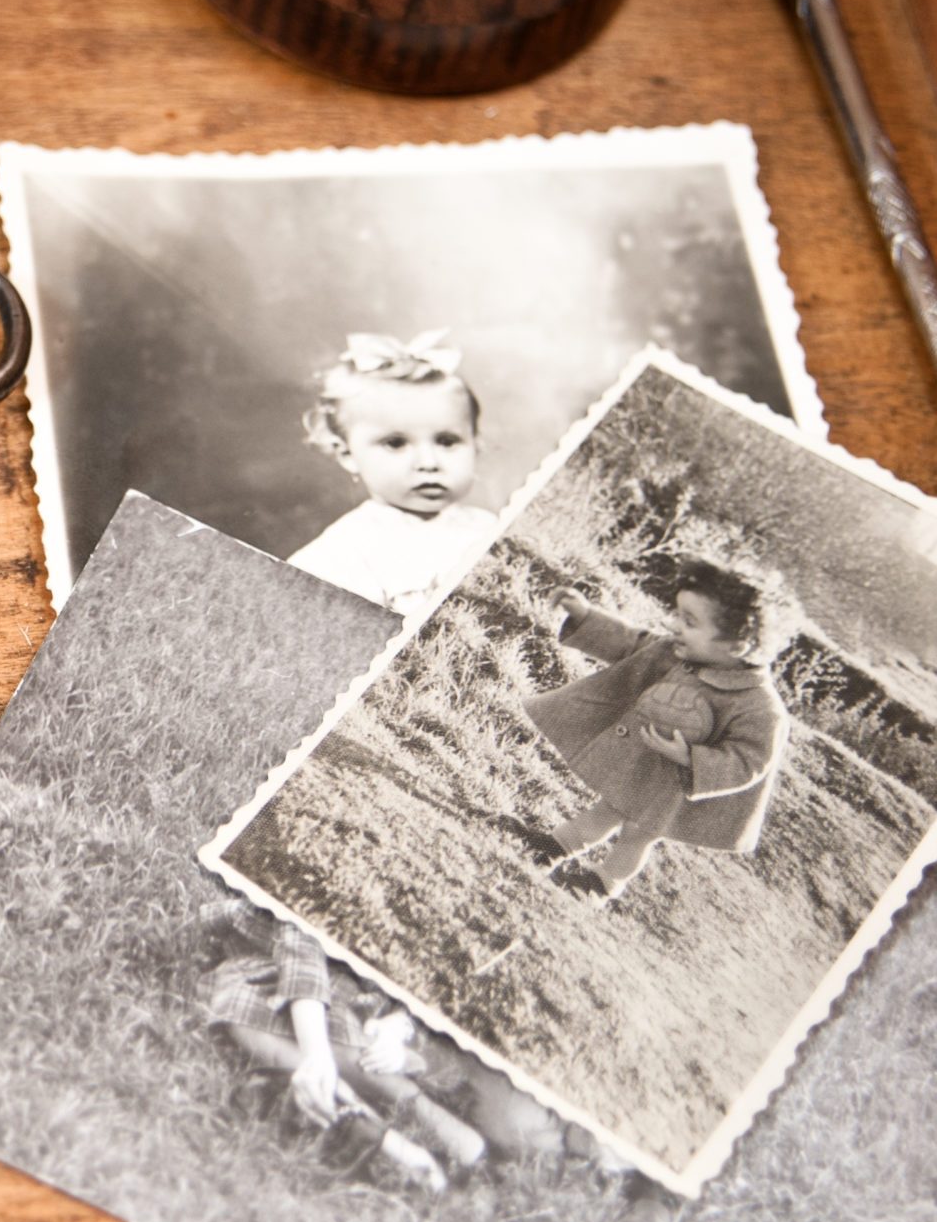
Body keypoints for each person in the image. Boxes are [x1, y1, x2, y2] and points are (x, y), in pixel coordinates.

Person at [524, 559, 795, 900]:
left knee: (638, 834)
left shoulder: (759, 707)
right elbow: (632, 644)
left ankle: (604, 883)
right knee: (608, 808)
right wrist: (586, 616)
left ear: (736, 646)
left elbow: (749, 761)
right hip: (643, 765)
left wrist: (692, 759)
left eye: (690, 622)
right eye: (679, 614)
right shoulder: (676, 653)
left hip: (675, 789)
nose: (675, 625)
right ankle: (553, 847)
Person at [194, 899, 483, 1191]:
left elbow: (433, 988)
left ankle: (416, 1110)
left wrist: (398, 1026)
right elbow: (300, 952)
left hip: (355, 1000)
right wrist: (315, 1055)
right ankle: (375, 1134)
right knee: (243, 1013)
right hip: (273, 967)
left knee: (368, 1053)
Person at [287, 332, 498, 615]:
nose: (428, 462)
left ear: (476, 444)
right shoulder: (344, 552)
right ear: (347, 454)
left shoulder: (488, 527)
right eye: (396, 444)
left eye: (447, 441)